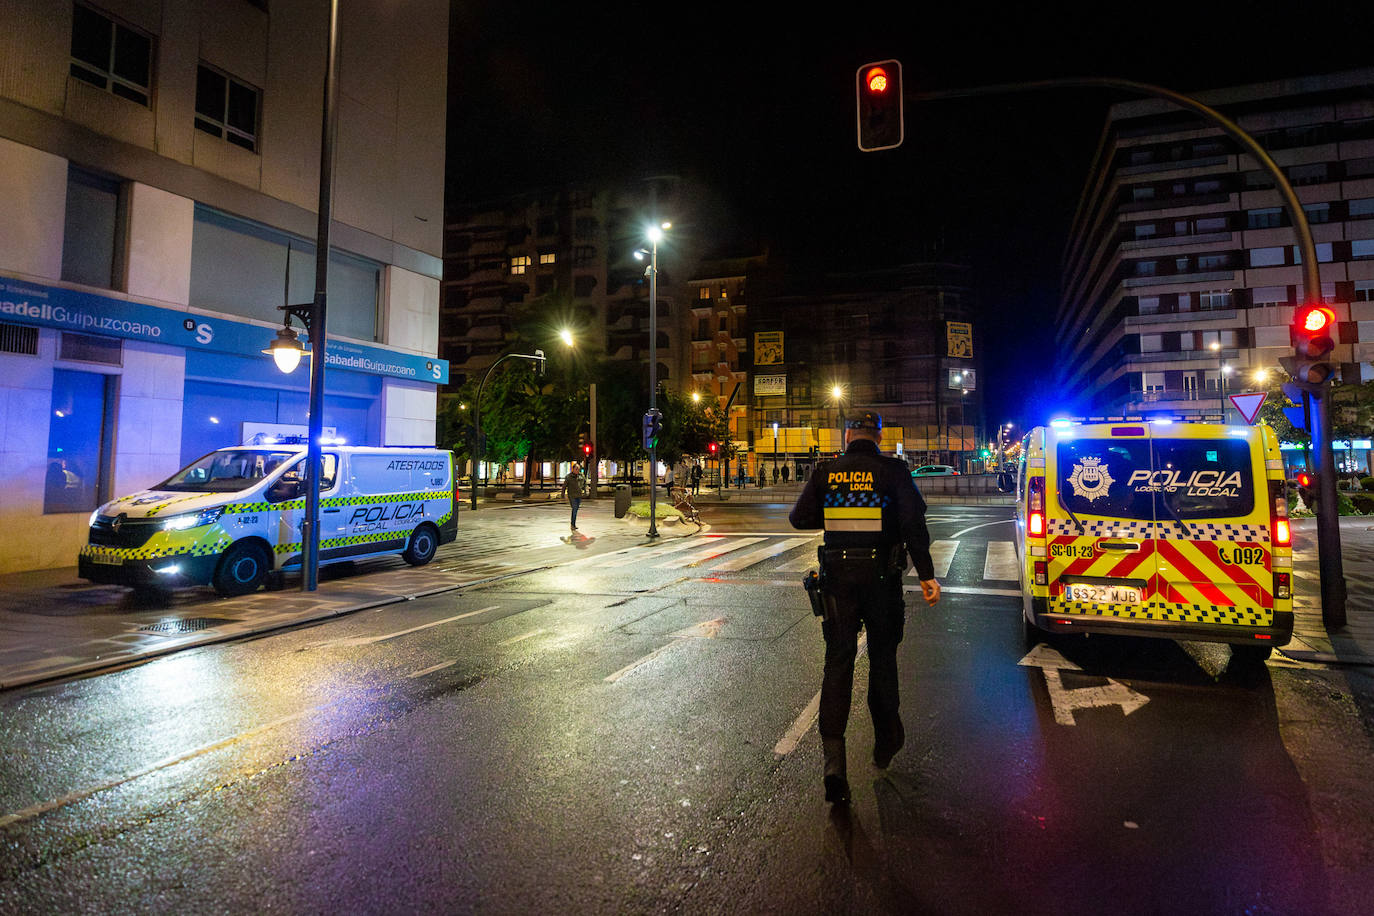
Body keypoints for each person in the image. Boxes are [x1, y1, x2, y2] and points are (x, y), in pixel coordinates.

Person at [789, 409, 941, 805]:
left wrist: (839, 507)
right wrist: (926, 574)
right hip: (882, 581)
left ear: (846, 436)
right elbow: (913, 524)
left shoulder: (828, 470)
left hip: (838, 580)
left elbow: (799, 518)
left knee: (837, 663)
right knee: (883, 659)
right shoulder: (893, 472)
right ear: (878, 436)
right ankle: (885, 741)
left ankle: (834, 764)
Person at [561, 464, 585, 529]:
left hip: (579, 495)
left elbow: (584, 484)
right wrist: (562, 494)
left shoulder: (581, 476)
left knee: (576, 509)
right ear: (573, 469)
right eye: (576, 469)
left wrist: (585, 490)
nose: (577, 470)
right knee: (574, 508)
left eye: (578, 469)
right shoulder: (568, 477)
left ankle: (573, 524)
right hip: (572, 495)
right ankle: (572, 525)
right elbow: (564, 486)